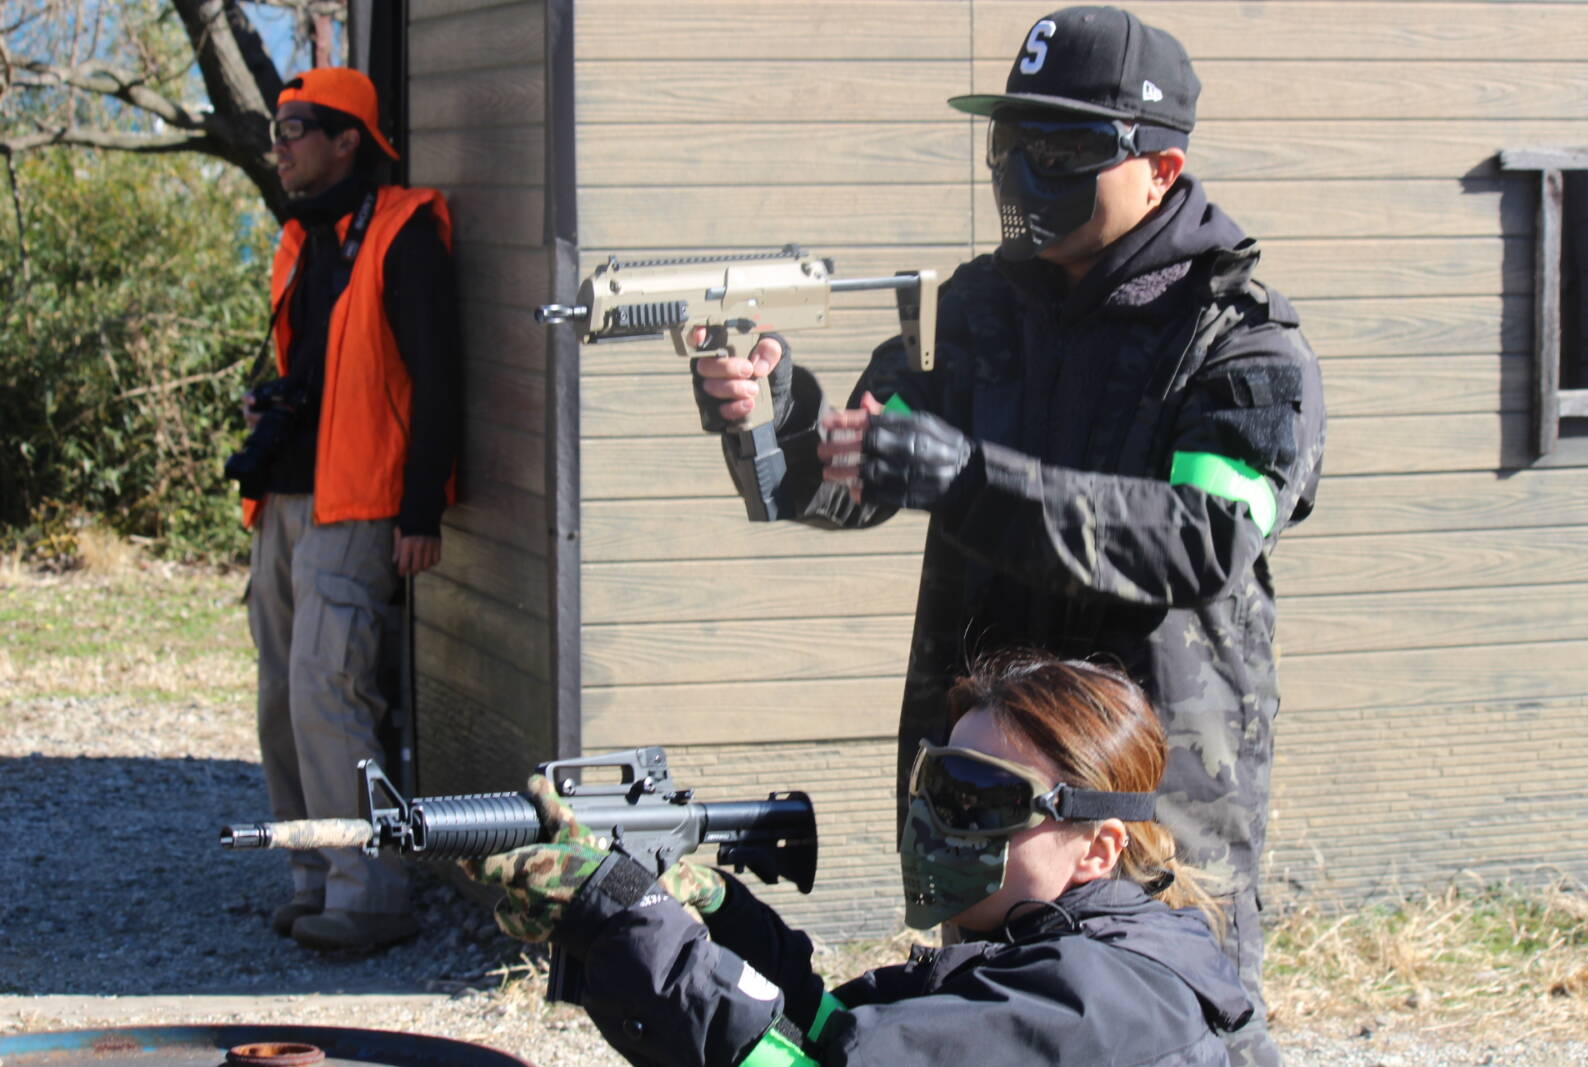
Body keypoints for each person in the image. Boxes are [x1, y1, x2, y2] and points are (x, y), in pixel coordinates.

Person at [691, 7, 1325, 1062]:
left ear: (1161, 168)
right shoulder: (973, 310)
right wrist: (774, 409)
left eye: (1066, 150)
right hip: (988, 787)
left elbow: (1203, 538)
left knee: (1170, 1029)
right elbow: (847, 477)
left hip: (1143, 794)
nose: (1026, 173)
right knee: (974, 1024)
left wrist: (972, 477)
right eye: (1012, 142)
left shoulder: (1239, 339)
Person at [468, 653, 1254, 1066]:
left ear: (1099, 845)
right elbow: (849, 1038)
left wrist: (625, 917)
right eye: (936, 785)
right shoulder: (1076, 954)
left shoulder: (1093, 998)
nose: (938, 820)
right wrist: (723, 917)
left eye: (981, 798)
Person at [237, 67, 459, 951]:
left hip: (360, 502)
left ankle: (369, 894)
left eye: (295, 128)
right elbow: (318, 371)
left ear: (346, 141)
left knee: (329, 692)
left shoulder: (405, 234)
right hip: (286, 498)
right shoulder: (304, 238)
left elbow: (439, 379)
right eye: (278, 129)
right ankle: (311, 875)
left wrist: (420, 512)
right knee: (280, 698)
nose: (280, 145)